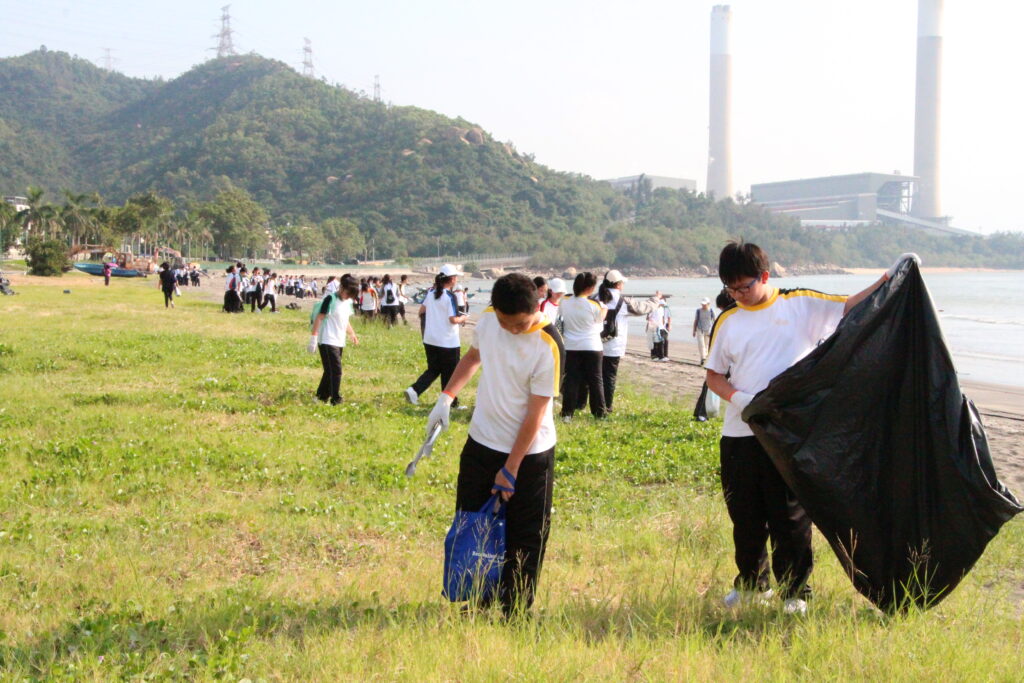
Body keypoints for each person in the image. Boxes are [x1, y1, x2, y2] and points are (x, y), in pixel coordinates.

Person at [705, 240, 916, 616]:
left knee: (789, 517)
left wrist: (891, 276)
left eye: (743, 287)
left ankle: (795, 592)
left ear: (764, 276)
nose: (737, 295)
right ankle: (752, 585)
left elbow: (854, 306)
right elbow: (714, 376)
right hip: (740, 433)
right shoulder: (728, 320)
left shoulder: (800, 303)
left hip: (788, 435)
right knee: (746, 516)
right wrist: (740, 400)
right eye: (730, 289)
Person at [426, 272, 564, 617]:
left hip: (530, 454)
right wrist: (446, 396)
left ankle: (514, 609)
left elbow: (536, 413)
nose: (511, 330)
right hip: (482, 443)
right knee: (475, 524)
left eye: (519, 324)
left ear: (536, 307)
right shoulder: (489, 320)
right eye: (506, 322)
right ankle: (478, 600)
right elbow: (473, 357)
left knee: (525, 534)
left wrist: (511, 469)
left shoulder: (548, 343)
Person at [596, 270, 661, 411]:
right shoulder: (623, 301)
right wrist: (656, 299)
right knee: (609, 377)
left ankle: (594, 405)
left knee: (596, 376)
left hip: (595, 343)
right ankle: (607, 407)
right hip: (613, 345)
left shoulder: (595, 298)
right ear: (618, 285)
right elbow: (643, 308)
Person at [405, 265, 468, 407]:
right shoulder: (449, 296)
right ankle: (450, 403)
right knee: (450, 374)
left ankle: (414, 390)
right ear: (452, 279)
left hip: (431, 339)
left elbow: (421, 311)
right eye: (455, 277)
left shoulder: (431, 293)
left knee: (434, 369)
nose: (456, 279)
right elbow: (453, 320)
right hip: (448, 342)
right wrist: (463, 318)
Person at [559, 272, 607, 420]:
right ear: (590, 288)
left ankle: (567, 413)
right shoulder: (594, 304)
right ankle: (599, 413)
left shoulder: (564, 300)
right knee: (595, 380)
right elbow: (600, 320)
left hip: (571, 346)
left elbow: (561, 316)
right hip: (592, 346)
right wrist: (605, 308)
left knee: (571, 380)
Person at [693, 297, 716, 365]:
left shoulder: (711, 311)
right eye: (702, 304)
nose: (703, 305)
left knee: (706, 345)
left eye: (705, 304)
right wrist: (694, 330)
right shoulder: (698, 311)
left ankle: (704, 359)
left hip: (708, 330)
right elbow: (696, 320)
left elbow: (715, 321)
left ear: (708, 304)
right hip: (700, 329)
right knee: (701, 345)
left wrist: (715, 331)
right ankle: (703, 358)